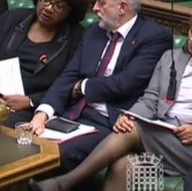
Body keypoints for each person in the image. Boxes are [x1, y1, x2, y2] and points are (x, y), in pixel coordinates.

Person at [28, 0, 171, 173]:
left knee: (55, 154)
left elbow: (125, 83)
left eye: (101, 3)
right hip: (71, 114)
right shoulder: (94, 31)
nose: (94, 8)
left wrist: (83, 86)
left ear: (122, 7)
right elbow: (69, 75)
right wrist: (42, 114)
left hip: (109, 122)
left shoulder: (154, 37)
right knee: (23, 141)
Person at [31, 26, 192, 191]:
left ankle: (64, 183)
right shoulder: (170, 58)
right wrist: (130, 116)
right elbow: (150, 98)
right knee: (124, 165)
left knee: (130, 130)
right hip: (163, 133)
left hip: (187, 144)